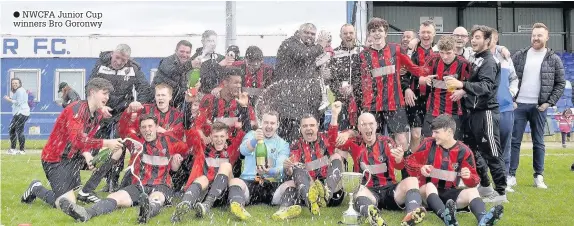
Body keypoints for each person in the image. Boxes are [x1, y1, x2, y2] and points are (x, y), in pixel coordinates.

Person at [58, 114, 188, 223]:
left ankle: (147, 213)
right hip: (139, 185)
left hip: (161, 185)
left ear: (156, 127)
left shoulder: (169, 141)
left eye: (150, 126)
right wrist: (130, 111)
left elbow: (187, 149)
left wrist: (177, 159)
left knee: (156, 197)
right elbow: (123, 126)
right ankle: (86, 213)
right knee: (115, 196)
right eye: (143, 127)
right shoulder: (135, 142)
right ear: (140, 129)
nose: (147, 130)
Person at [20, 78, 124, 209]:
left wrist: (86, 154)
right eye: (104, 93)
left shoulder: (97, 114)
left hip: (73, 156)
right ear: (92, 92)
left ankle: (86, 191)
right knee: (67, 204)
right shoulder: (77, 110)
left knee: (118, 150)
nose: (107, 97)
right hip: (55, 159)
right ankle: (36, 188)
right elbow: (78, 139)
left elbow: (84, 138)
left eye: (108, 94)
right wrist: (107, 142)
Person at [445, 25, 507, 203]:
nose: (474, 40)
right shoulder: (476, 58)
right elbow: (475, 84)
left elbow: (486, 87)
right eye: (473, 37)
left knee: (491, 151)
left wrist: (462, 85)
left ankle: (501, 192)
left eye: (478, 37)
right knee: (472, 150)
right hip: (472, 113)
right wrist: (464, 91)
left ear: (488, 41)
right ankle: (486, 186)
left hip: (486, 112)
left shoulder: (489, 61)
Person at [406, 114, 504, 226]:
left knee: (473, 191)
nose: (433, 135)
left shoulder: (464, 151)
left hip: (450, 197)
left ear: (449, 132)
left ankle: (483, 220)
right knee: (430, 186)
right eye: (433, 132)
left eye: (437, 132)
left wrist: (468, 177)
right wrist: (420, 168)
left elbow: (475, 181)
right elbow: (409, 162)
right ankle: (446, 217)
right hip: (426, 196)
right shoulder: (429, 143)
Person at [337, 112, 427, 226]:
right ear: (359, 127)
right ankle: (373, 217)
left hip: (390, 191)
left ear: (376, 125)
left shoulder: (387, 142)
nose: (368, 127)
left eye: (371, 124)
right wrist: (348, 132)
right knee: (358, 190)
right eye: (363, 124)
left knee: (412, 181)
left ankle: (411, 214)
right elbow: (332, 142)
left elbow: (399, 166)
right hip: (368, 192)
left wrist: (399, 159)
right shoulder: (355, 142)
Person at [271, 102, 354, 220]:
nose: (308, 128)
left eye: (311, 125)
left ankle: (326, 193)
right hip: (310, 190)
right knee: (295, 168)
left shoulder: (326, 138)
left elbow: (352, 135)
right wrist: (288, 167)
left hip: (333, 196)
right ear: (300, 128)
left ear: (318, 126)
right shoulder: (296, 145)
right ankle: (286, 209)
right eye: (305, 126)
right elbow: (292, 168)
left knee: (336, 156)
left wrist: (343, 127)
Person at [87, 43, 154, 192]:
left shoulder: (133, 68)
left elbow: (145, 89)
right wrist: (100, 106)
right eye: (117, 58)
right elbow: (90, 87)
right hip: (102, 112)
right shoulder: (100, 65)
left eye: (123, 60)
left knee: (118, 146)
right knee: (100, 148)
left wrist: (138, 103)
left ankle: (113, 182)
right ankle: (103, 180)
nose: (119, 62)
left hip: (121, 113)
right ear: (112, 54)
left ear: (128, 59)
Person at [359, 17, 430, 153]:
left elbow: (412, 67)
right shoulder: (364, 55)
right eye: (373, 31)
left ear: (386, 33)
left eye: (380, 30)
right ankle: (375, 168)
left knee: (402, 141)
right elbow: (362, 81)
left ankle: (403, 170)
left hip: (394, 103)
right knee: (371, 140)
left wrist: (426, 73)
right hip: (373, 105)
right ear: (369, 34)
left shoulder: (395, 49)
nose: (377, 34)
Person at [509, 22, 566, 189]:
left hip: (539, 107)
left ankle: (538, 176)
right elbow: (508, 77)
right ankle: (511, 175)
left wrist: (549, 102)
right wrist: (512, 98)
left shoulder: (554, 59)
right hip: (518, 105)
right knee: (514, 142)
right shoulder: (520, 55)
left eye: (539, 35)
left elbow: (560, 83)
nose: (536, 38)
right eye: (534, 35)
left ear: (547, 37)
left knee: (539, 142)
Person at [171, 121, 246, 223]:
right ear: (210, 136)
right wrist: (197, 127)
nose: (219, 140)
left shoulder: (232, 149)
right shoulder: (203, 149)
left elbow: (243, 132)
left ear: (227, 136)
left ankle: (207, 205)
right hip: (204, 193)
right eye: (215, 136)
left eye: (222, 136)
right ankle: (184, 205)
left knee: (226, 166)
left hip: (224, 194)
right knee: (203, 178)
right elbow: (191, 134)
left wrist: (243, 111)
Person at [226, 110, 291, 220]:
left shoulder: (283, 144)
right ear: (261, 122)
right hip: (252, 181)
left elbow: (280, 167)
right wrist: (255, 140)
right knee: (235, 181)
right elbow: (243, 151)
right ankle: (238, 207)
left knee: (291, 184)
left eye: (272, 123)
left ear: (278, 125)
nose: (269, 126)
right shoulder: (252, 135)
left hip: (272, 183)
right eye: (266, 122)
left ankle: (283, 210)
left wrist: (268, 172)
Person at [273, 23, 330, 143]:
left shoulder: (309, 48)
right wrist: (320, 45)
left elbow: (314, 70)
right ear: (299, 32)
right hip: (290, 108)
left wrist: (326, 74)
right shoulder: (290, 44)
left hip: (308, 106)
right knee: (291, 144)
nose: (309, 36)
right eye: (306, 32)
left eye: (312, 34)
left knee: (308, 146)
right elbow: (303, 55)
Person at [417, 35, 471, 140]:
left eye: (448, 53)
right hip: (433, 110)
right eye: (442, 52)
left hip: (454, 112)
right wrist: (424, 80)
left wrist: (463, 92)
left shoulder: (464, 64)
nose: (445, 56)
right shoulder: (433, 59)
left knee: (453, 144)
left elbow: (472, 84)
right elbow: (418, 78)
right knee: (429, 142)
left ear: (455, 50)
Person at [490, 29, 519, 193]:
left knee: (505, 144)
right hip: (487, 109)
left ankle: (504, 178)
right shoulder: (477, 56)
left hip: (506, 108)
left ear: (497, 39)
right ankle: (485, 181)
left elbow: (514, 78)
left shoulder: (506, 57)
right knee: (486, 146)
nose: (491, 41)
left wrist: (511, 93)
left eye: (494, 38)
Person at [328, 24, 362, 131]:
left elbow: (366, 75)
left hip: (361, 99)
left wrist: (354, 87)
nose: (348, 36)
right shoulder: (334, 53)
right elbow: (331, 78)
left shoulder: (362, 51)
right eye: (345, 33)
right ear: (340, 35)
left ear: (355, 34)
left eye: (351, 33)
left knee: (361, 131)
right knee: (342, 133)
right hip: (341, 100)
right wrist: (338, 89)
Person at [152, 40, 199, 109]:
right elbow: (174, 71)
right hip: (158, 103)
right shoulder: (167, 61)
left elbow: (186, 88)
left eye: (187, 52)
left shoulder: (189, 67)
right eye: (182, 51)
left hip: (175, 105)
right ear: (176, 51)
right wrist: (190, 65)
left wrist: (193, 89)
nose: (185, 55)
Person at [4, 77, 31, 155]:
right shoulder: (19, 91)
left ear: (19, 84)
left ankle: (21, 150)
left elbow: (18, 102)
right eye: (13, 83)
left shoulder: (20, 90)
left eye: (16, 83)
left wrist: (8, 99)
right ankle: (13, 149)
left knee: (19, 131)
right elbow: (19, 101)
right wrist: (11, 99)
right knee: (12, 129)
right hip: (19, 113)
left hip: (21, 113)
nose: (14, 84)